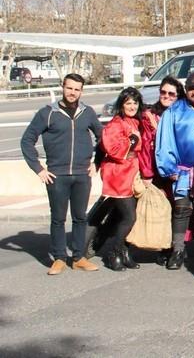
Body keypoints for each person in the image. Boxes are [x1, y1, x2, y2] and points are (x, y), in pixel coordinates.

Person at [21, 74, 103, 274]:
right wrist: (39, 169)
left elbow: (103, 138)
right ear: (62, 87)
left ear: (81, 91)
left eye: (77, 89)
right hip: (57, 175)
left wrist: (98, 163)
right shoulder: (48, 113)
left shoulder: (88, 112)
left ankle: (78, 257)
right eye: (69, 88)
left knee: (80, 217)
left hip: (82, 175)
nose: (72, 92)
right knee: (58, 218)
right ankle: (58, 258)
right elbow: (27, 140)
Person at [156, 71, 194, 270]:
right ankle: (178, 250)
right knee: (181, 210)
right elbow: (165, 139)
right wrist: (168, 167)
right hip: (182, 169)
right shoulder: (174, 110)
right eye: (191, 88)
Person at [98, 88, 144, 271]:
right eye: (128, 103)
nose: (132, 106)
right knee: (129, 217)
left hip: (131, 174)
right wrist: (132, 141)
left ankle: (124, 252)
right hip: (118, 175)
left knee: (129, 216)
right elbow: (113, 149)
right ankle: (113, 251)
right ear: (121, 105)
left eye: (135, 103)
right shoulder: (115, 124)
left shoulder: (134, 121)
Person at [139, 76, 182, 191]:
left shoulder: (183, 115)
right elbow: (145, 147)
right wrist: (147, 174)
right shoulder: (149, 116)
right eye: (163, 92)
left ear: (178, 96)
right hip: (157, 169)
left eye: (171, 94)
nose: (166, 96)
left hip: (180, 170)